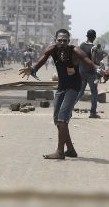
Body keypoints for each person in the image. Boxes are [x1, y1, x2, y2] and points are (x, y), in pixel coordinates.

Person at [19, 29, 99, 159]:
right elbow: (42, 60)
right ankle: (71, 150)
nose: (62, 43)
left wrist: (99, 69)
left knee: (62, 118)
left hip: (73, 87)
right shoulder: (52, 49)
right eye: (59, 40)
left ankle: (60, 151)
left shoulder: (75, 51)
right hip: (61, 87)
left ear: (69, 41)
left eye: (65, 40)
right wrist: (33, 69)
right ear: (55, 40)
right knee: (57, 119)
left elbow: (88, 61)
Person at [75, 29, 102, 119]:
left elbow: (78, 58)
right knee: (94, 92)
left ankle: (68, 108)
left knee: (80, 91)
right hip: (90, 73)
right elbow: (93, 61)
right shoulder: (93, 48)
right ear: (94, 37)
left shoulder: (81, 45)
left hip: (81, 71)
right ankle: (93, 113)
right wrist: (99, 65)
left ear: (87, 36)